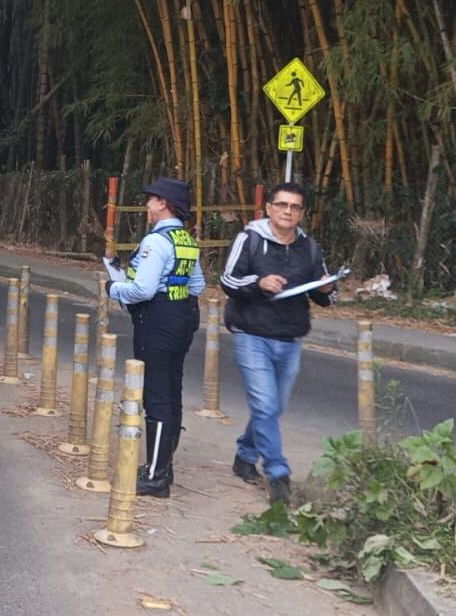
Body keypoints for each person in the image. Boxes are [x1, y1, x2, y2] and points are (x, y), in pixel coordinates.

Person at [219, 181, 335, 506]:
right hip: (251, 333)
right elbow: (227, 280)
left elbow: (324, 294)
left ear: (302, 213)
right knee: (266, 406)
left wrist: (326, 289)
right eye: (281, 205)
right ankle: (278, 473)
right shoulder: (250, 239)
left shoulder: (310, 248)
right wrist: (259, 283)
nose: (288, 211)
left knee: (272, 407)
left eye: (295, 207)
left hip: (290, 337)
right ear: (269, 208)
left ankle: (245, 455)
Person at [108, 177, 205, 498]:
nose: (147, 206)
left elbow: (142, 289)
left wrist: (113, 288)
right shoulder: (186, 239)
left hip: (157, 320)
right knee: (171, 391)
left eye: (150, 200)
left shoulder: (156, 241)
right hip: (182, 317)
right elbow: (197, 285)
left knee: (156, 396)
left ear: (163, 203)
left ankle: (155, 476)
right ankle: (164, 466)